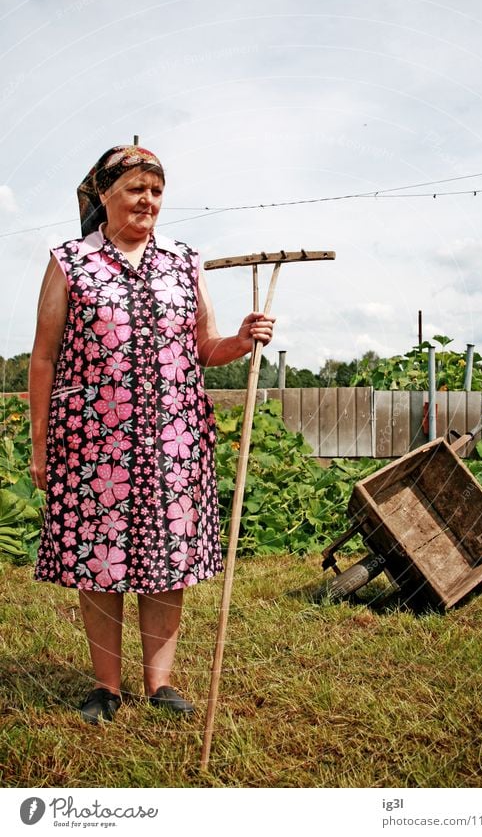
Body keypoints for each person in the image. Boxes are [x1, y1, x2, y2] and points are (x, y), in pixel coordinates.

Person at [29, 145, 275, 724]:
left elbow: (204, 348)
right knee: (100, 560)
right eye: (136, 188)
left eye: (157, 191)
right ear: (105, 195)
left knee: (166, 556)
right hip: (93, 442)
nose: (148, 200)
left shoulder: (184, 262)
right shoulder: (71, 261)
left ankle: (159, 684)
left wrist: (240, 341)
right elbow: (43, 357)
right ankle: (106, 687)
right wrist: (41, 445)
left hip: (173, 439)